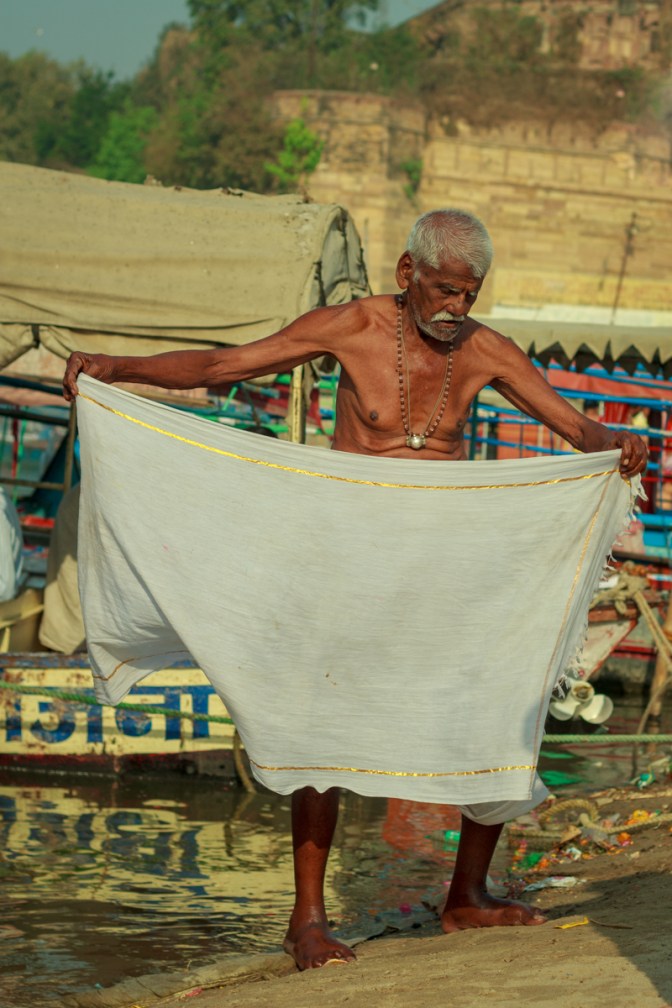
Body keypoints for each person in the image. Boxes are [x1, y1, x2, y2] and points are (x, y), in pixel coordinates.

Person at [63, 208, 647, 972]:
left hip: (442, 568)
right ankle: (306, 919)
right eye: (443, 290)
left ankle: (466, 895)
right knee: (322, 725)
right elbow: (226, 367)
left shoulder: (484, 351)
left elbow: (576, 430)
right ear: (408, 275)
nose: (456, 309)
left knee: (501, 700)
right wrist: (120, 369)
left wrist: (617, 443)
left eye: (469, 295)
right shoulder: (351, 326)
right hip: (347, 564)